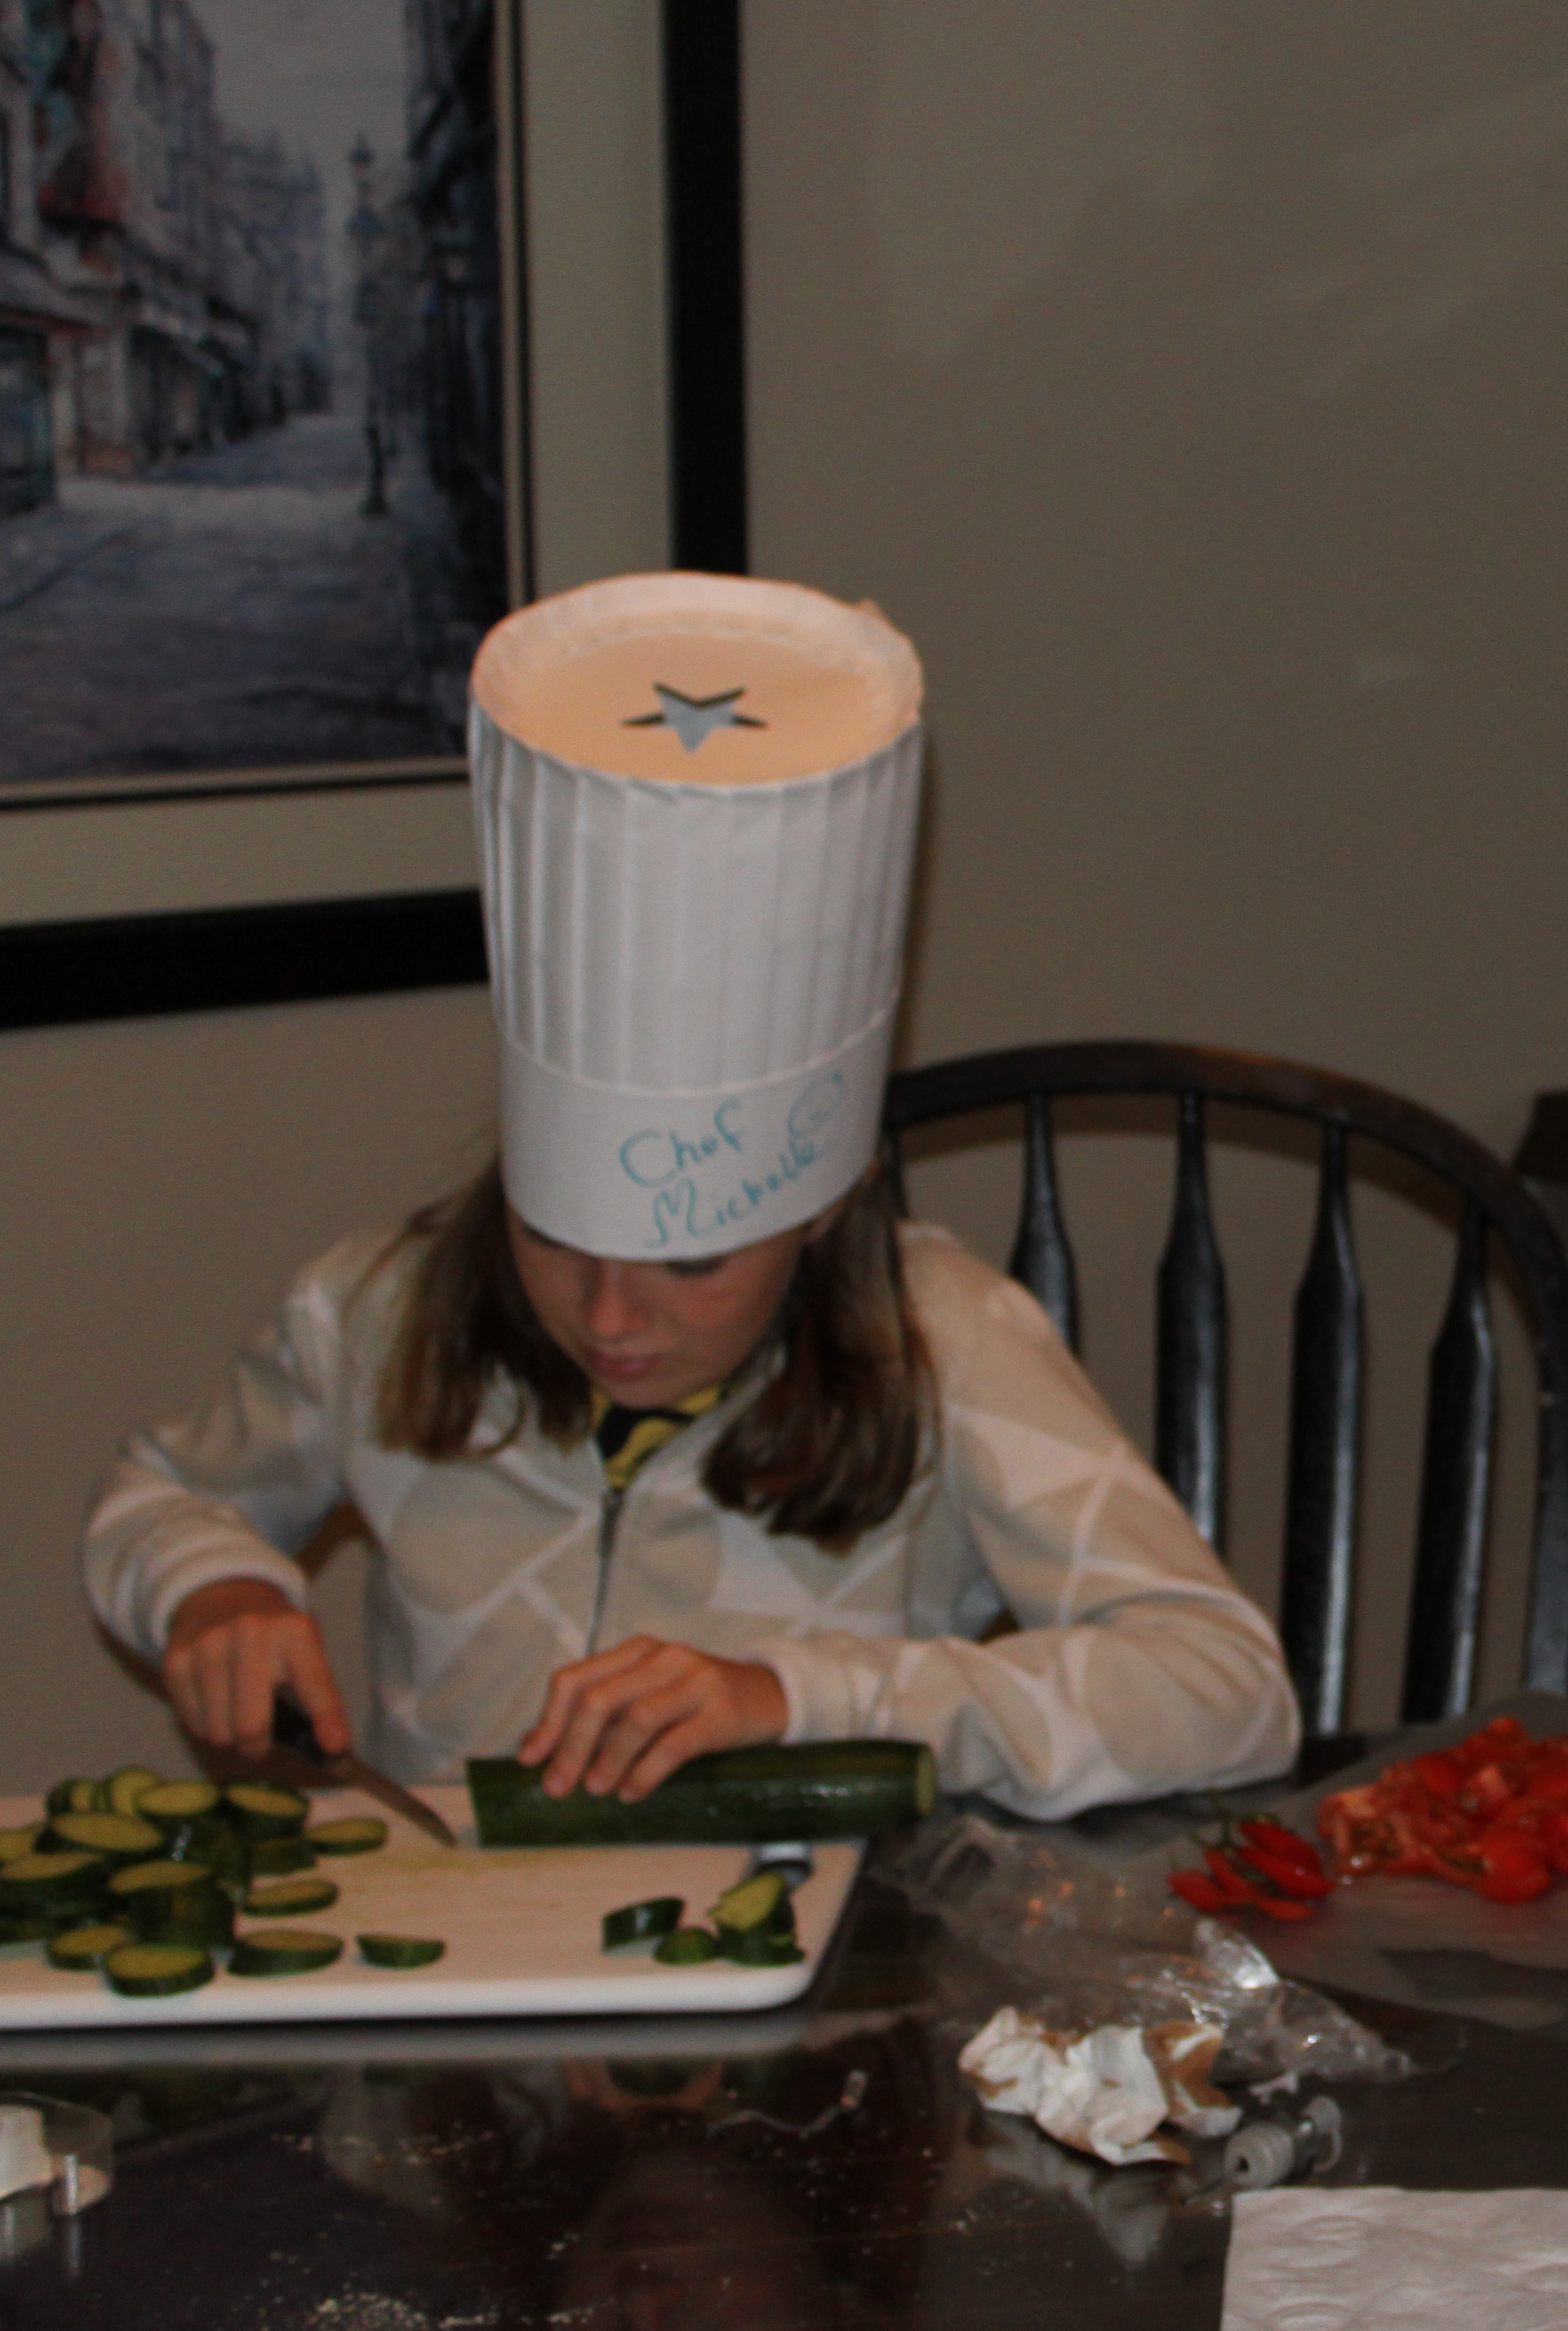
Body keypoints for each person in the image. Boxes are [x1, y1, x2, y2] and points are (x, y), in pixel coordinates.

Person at [84, 574, 1295, 1818]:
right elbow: (157, 1493)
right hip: (460, 1916)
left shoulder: (947, 1340)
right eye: (556, 1237)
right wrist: (211, 1586)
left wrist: (803, 1698)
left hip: (819, 1922)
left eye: (693, 1263)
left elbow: (1225, 1689)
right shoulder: (375, 1313)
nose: (611, 1315)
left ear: (826, 1206)